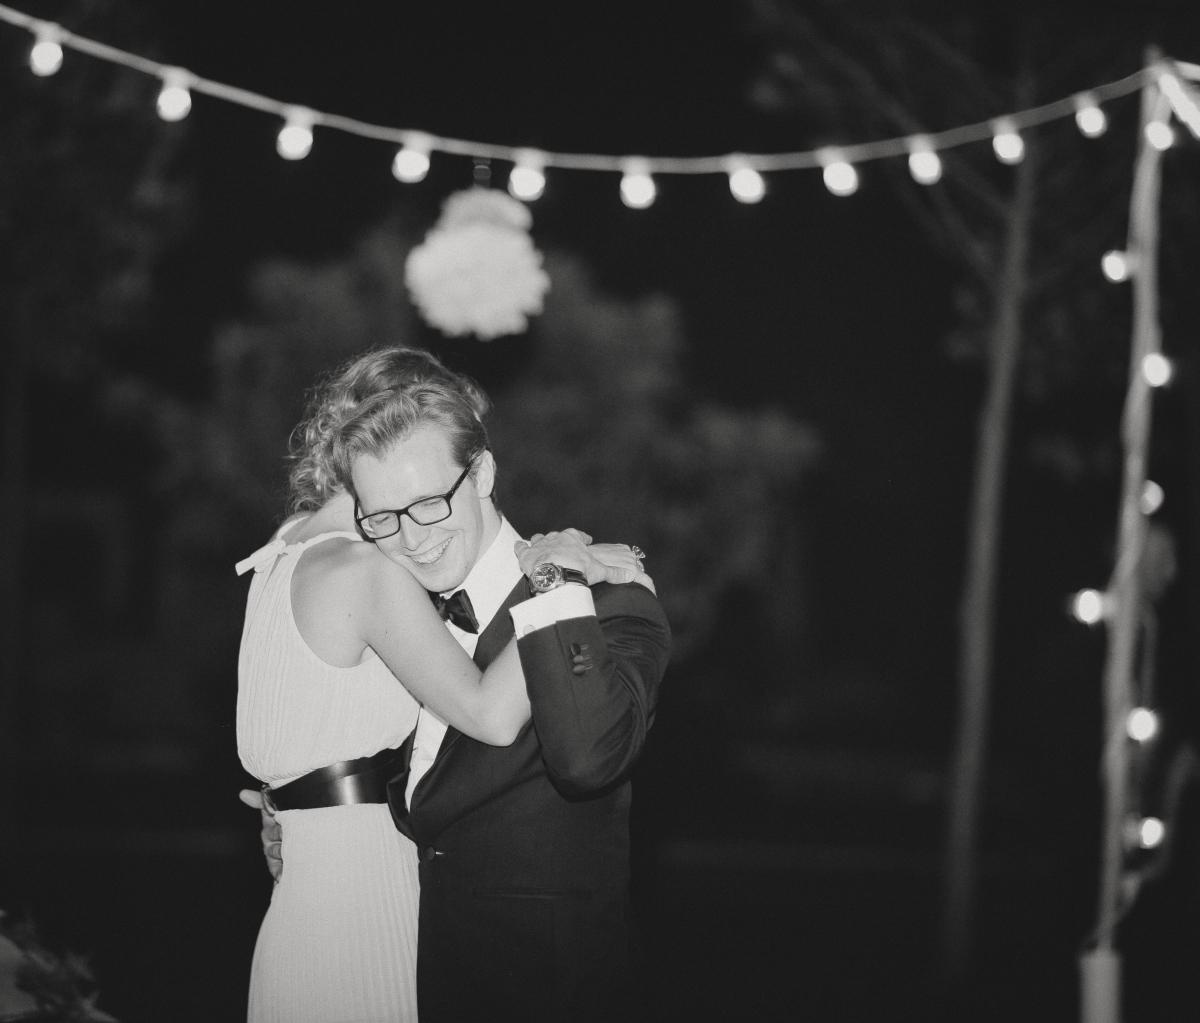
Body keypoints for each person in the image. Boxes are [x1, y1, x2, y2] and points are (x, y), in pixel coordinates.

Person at [250, 344, 672, 1022]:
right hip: (405, 976)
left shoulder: (609, 602)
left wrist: (557, 580)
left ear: (481, 475)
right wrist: (301, 809)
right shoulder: (397, 632)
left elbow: (588, 757)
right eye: (384, 516)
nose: (412, 538)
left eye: (429, 504)